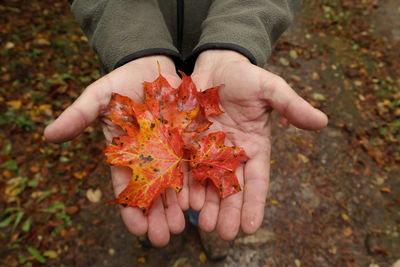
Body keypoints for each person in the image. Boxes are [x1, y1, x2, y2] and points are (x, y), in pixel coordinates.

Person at [45, 0, 328, 260]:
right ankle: (157, 207)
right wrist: (132, 46)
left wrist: (235, 39)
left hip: (214, 52)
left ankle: (197, 219)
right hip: (137, 59)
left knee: (194, 179)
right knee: (164, 173)